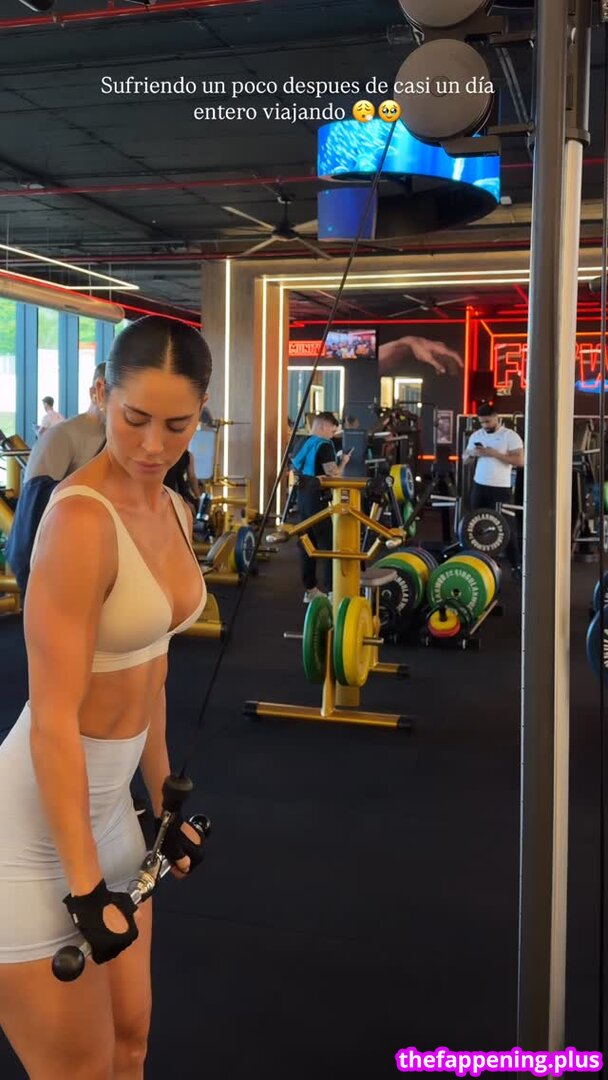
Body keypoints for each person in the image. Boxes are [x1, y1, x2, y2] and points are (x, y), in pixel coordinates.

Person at [0, 316, 211, 1079]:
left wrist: (161, 802)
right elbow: (52, 719)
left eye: (176, 426)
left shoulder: (173, 509)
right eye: (135, 418)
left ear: (200, 414)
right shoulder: (79, 521)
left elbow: (152, 669)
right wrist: (86, 889)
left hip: (114, 817)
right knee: (80, 1070)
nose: (153, 445)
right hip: (34, 837)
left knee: (130, 1045)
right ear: (103, 397)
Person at [7, 362, 107, 595]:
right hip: (51, 560)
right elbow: (35, 512)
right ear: (97, 391)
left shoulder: (114, 438)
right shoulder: (63, 436)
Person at [291, 411, 352, 602]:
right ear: (324, 426)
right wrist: (343, 463)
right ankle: (333, 590)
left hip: (302, 498)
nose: (333, 436)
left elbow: (295, 469)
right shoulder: (325, 445)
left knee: (307, 542)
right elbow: (333, 476)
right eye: (332, 431)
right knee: (328, 544)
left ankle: (310, 589)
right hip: (318, 499)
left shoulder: (301, 442)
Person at [462, 402, 525, 576]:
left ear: (497, 417)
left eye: (488, 421)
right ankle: (479, 566)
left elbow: (520, 461)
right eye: (482, 422)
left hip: (501, 489)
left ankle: (516, 567)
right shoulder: (476, 435)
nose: (485, 425)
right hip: (479, 486)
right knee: (476, 527)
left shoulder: (510, 436)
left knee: (507, 529)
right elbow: (465, 459)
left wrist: (493, 453)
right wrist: (471, 454)